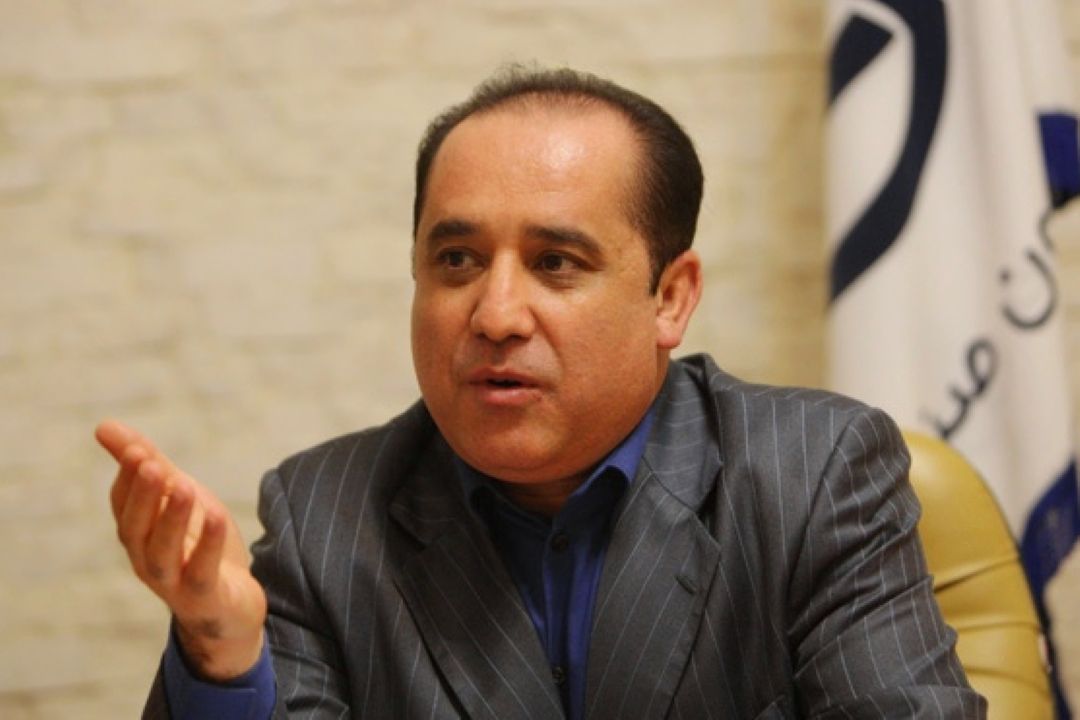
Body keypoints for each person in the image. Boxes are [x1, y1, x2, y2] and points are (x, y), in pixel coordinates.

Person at [96, 66, 985, 719]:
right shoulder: (324, 518)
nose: (494, 314)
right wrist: (222, 650)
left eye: (556, 263)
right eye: (456, 260)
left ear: (671, 299)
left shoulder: (812, 475)